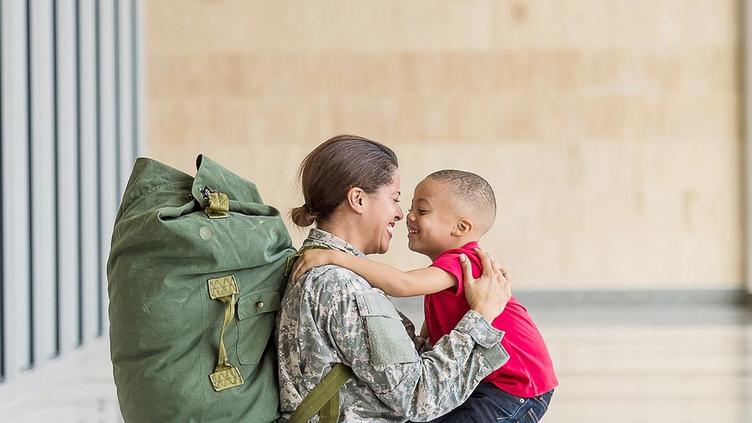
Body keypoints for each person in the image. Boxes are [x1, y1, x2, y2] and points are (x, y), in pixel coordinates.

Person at [276, 135, 512, 422]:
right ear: (358, 199)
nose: (402, 214)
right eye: (396, 199)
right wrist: (481, 317)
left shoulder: (321, 266)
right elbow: (419, 397)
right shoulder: (342, 286)